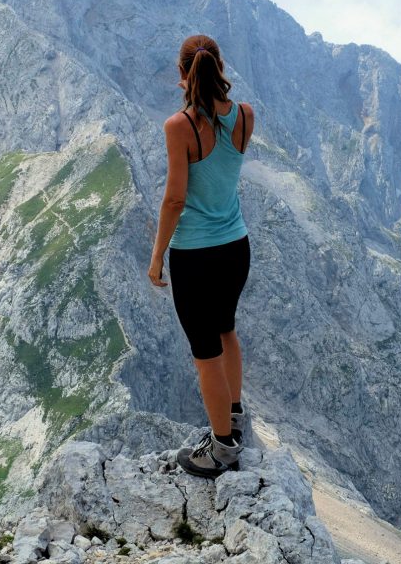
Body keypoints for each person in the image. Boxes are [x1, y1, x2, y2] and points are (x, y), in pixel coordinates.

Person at [147, 34, 255, 478]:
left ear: (181, 73)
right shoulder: (246, 116)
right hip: (236, 246)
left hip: (195, 255)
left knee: (204, 351)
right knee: (226, 329)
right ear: (220, 66)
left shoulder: (180, 126)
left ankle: (222, 451)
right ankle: (232, 418)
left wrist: (156, 258)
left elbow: (174, 199)